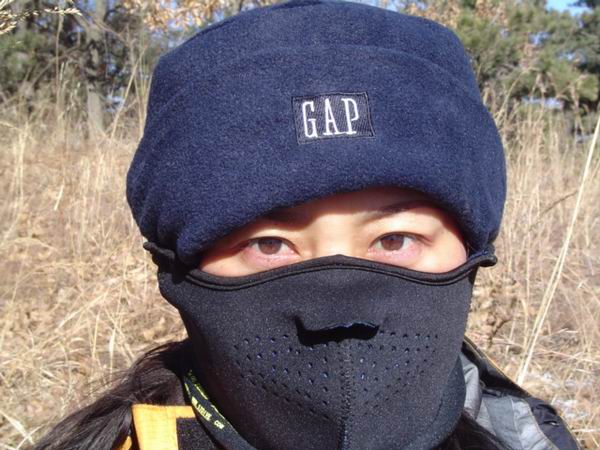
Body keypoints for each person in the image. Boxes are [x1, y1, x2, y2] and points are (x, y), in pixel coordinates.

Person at [33, 0, 580, 449]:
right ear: (178, 268)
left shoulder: (527, 437)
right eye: (270, 244)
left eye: (394, 240)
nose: (336, 309)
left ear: (472, 248)